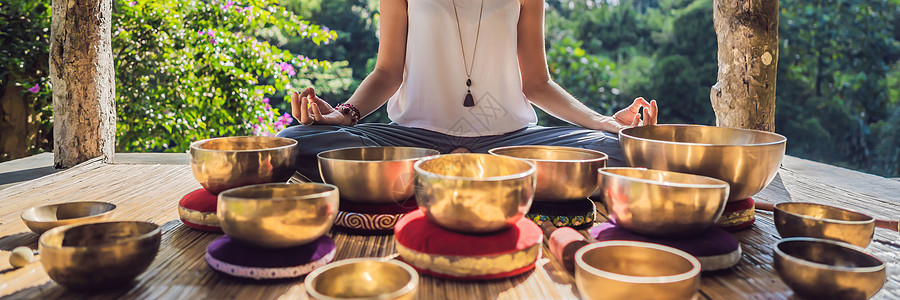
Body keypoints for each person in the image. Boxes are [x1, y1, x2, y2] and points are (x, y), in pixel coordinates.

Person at [277, 0, 658, 182]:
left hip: (510, 140)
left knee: (627, 149)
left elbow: (537, 84)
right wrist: (343, 115)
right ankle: (492, 177)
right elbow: (387, 72)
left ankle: (428, 178)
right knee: (294, 141)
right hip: (412, 139)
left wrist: (605, 122)